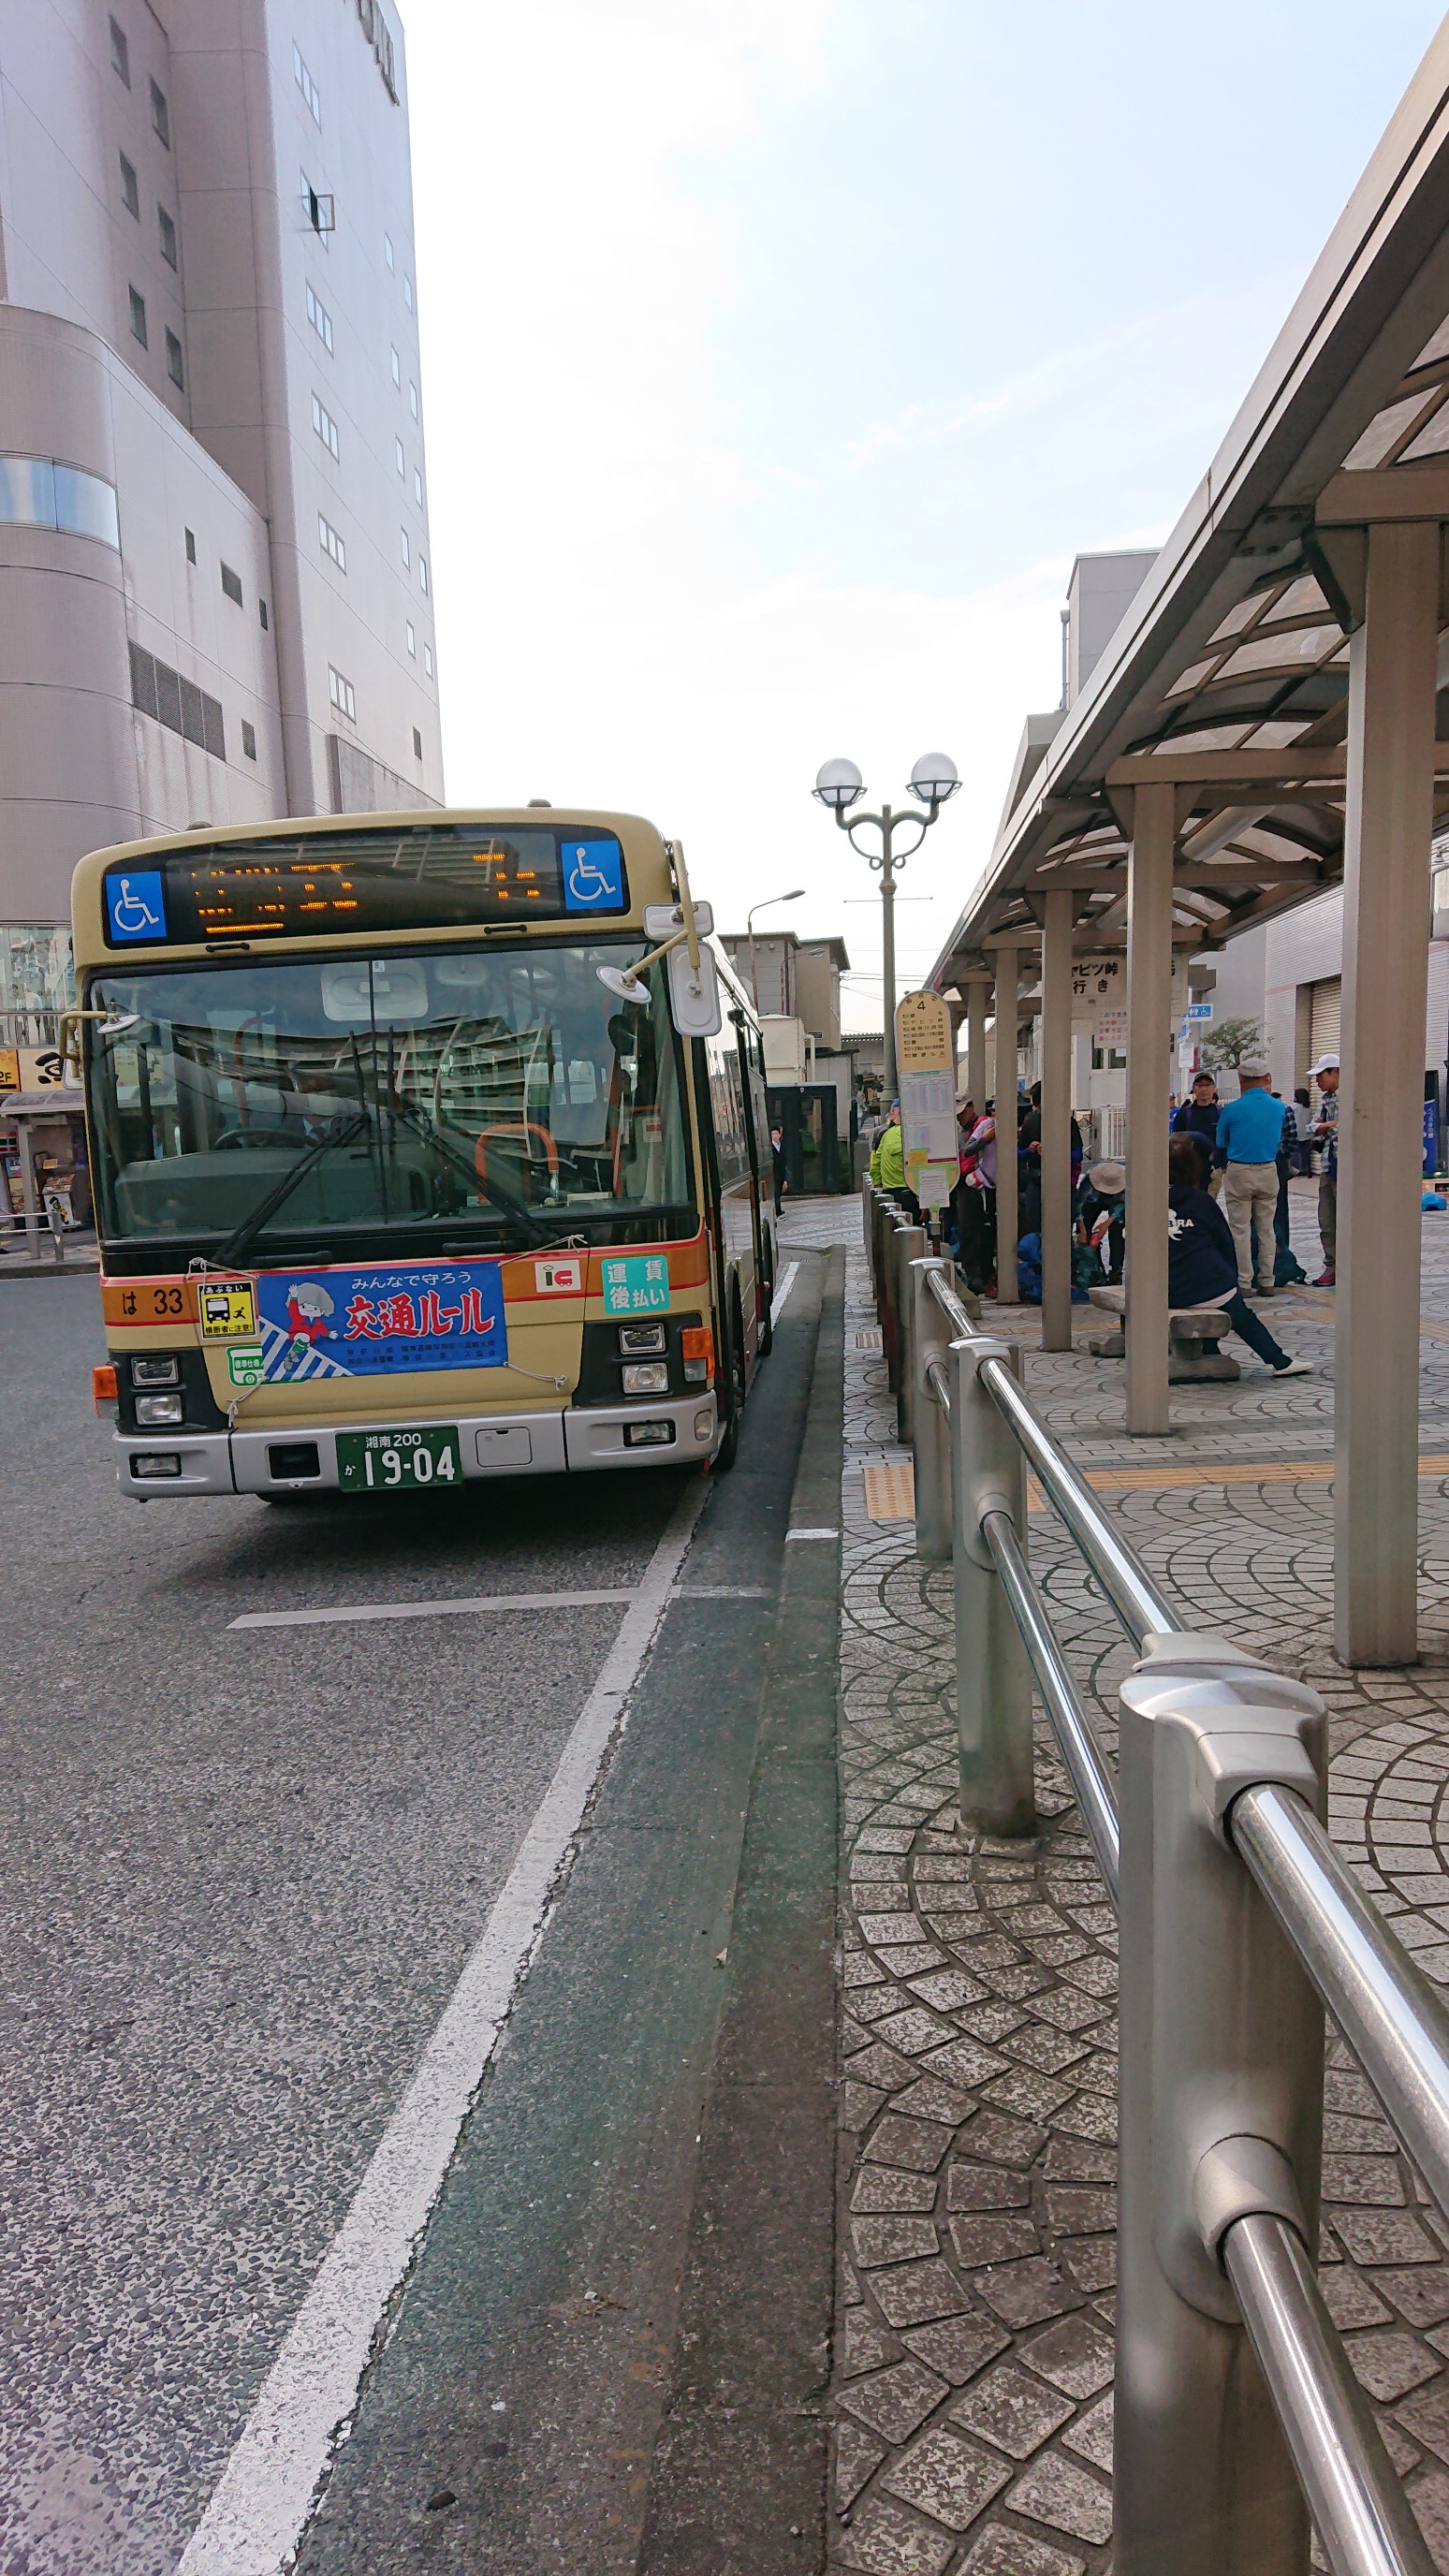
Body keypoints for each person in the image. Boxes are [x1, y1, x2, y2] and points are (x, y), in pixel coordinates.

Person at [1167, 1135, 1311, 1376]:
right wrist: (1231, 1276)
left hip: (1163, 1290)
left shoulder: (1146, 1203)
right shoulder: (1201, 1201)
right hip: (1208, 1285)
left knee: (1217, 1294)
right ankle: (1279, 1361)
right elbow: (1224, 1241)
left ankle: (1209, 1349)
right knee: (1241, 1316)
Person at [1214, 1056, 1284, 1295]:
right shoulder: (1279, 1108)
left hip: (1239, 1170)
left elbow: (1221, 1141)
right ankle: (1268, 1280)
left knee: (1240, 1229)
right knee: (1267, 1229)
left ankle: (1244, 1282)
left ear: (1241, 1079)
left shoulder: (1231, 1110)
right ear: (1265, 1078)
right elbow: (1285, 1138)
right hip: (1268, 1168)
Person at [1310, 1052, 1339, 1284]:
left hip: (1345, 1165)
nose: (1318, 1080)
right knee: (1326, 1219)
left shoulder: (1351, 1096)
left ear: (1336, 1072)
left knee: (1345, 1219)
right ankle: (1331, 1266)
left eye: (1321, 1075)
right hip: (1328, 1165)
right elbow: (1313, 1128)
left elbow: (1347, 1124)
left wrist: (1326, 1126)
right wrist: (1327, 1126)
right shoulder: (1325, 1100)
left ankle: (1347, 1266)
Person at [1171, 1072, 1222, 1196]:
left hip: (1213, 1168)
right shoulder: (1185, 1113)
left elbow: (1227, 1139)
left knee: (1209, 1202)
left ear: (1214, 1088)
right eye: (1200, 1085)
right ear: (1193, 1088)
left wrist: (1221, 1164)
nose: (1204, 1089)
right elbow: (1176, 1138)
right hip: (1189, 1168)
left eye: (1207, 1085)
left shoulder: (1221, 1113)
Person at [869, 1100, 919, 1221]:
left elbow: (876, 1160)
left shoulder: (887, 1134)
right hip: (910, 1190)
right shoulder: (914, 1133)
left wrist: (877, 1182)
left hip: (889, 1191)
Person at [768, 1121, 785, 1218]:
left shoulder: (782, 1146)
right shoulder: (769, 1147)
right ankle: (777, 1211)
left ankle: (778, 1210)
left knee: (779, 1192)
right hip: (773, 1174)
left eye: (776, 1133)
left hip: (781, 1173)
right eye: (773, 1134)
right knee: (776, 1192)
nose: (774, 1136)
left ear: (779, 1135)